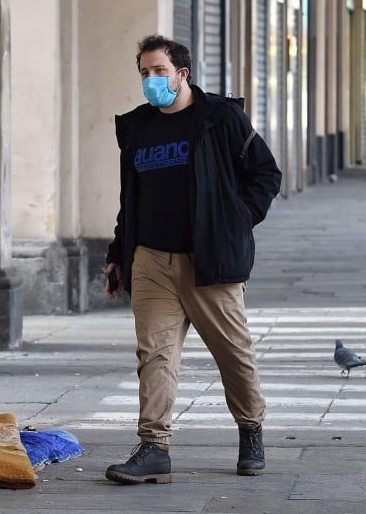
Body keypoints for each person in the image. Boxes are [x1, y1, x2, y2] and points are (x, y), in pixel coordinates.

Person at [101, 34, 282, 485]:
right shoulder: (138, 127)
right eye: (144, 73)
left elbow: (265, 173)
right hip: (151, 261)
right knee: (155, 355)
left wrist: (236, 222)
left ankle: (251, 430)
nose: (151, 80)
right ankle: (153, 446)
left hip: (210, 261)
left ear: (182, 74)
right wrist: (119, 253)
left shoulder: (220, 118)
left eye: (159, 71)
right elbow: (132, 197)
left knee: (233, 353)